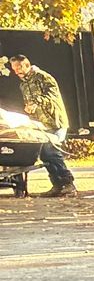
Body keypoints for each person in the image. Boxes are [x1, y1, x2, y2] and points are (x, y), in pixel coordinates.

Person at [3, 53, 75, 193]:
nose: (16, 71)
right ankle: (58, 185)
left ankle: (68, 184)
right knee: (44, 154)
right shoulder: (23, 84)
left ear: (27, 65)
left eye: (18, 67)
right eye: (13, 68)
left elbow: (52, 95)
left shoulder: (43, 77)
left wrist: (36, 103)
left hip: (55, 122)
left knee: (52, 151)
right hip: (41, 124)